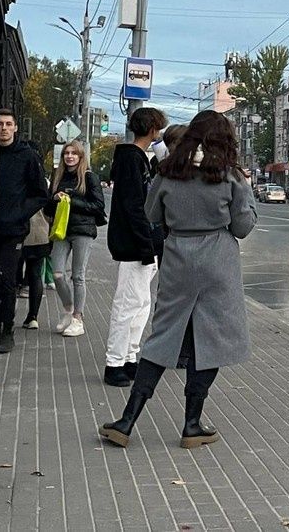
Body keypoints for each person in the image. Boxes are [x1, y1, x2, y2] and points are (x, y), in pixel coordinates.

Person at [99, 111, 257, 449]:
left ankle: (127, 421)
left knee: (163, 337)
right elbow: (242, 227)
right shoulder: (229, 177)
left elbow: (152, 214)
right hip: (218, 261)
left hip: (177, 259)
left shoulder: (168, 173)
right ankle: (192, 425)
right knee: (211, 341)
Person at [104, 107, 167, 387]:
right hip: (134, 245)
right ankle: (114, 362)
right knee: (128, 304)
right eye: (160, 129)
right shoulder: (132, 160)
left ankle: (129, 357)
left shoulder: (139, 159)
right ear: (152, 129)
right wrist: (145, 245)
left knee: (141, 303)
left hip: (141, 243)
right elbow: (135, 207)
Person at [0, 109, 49, 352]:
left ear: (16, 128)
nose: (4, 129)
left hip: (13, 230)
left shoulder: (26, 156)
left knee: (8, 281)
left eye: (8, 124)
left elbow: (40, 194)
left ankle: (7, 330)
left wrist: (18, 213)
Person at [45, 140, 106, 337]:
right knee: (57, 274)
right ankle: (68, 309)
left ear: (81, 157)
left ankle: (78, 319)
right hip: (61, 230)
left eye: (74, 153)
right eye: (66, 153)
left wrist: (73, 199)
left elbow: (98, 206)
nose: (70, 156)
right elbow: (47, 208)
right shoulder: (57, 177)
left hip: (83, 231)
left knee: (78, 276)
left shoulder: (89, 177)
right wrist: (54, 199)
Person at [20, 209, 52, 329]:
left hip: (18, 229)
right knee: (36, 274)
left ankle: (6, 318)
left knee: (11, 274)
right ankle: (33, 317)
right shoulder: (43, 189)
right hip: (40, 230)